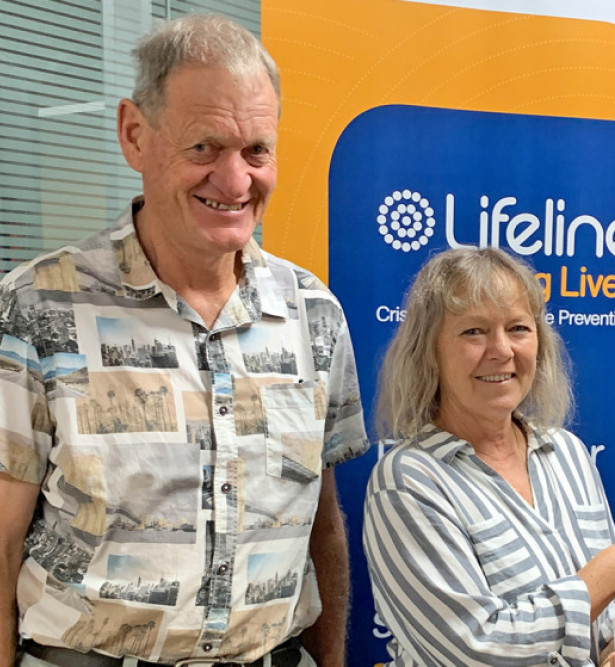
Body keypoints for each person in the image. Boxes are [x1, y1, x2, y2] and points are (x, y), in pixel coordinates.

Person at [0, 14, 368, 667]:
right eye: (204, 148)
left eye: (256, 150)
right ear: (135, 136)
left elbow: (322, 527)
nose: (234, 182)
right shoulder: (38, 307)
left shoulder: (314, 314)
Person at [362, 246, 615, 667]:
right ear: (429, 353)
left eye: (517, 328)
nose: (501, 350)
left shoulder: (566, 452)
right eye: (473, 332)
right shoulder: (408, 480)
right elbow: (474, 649)